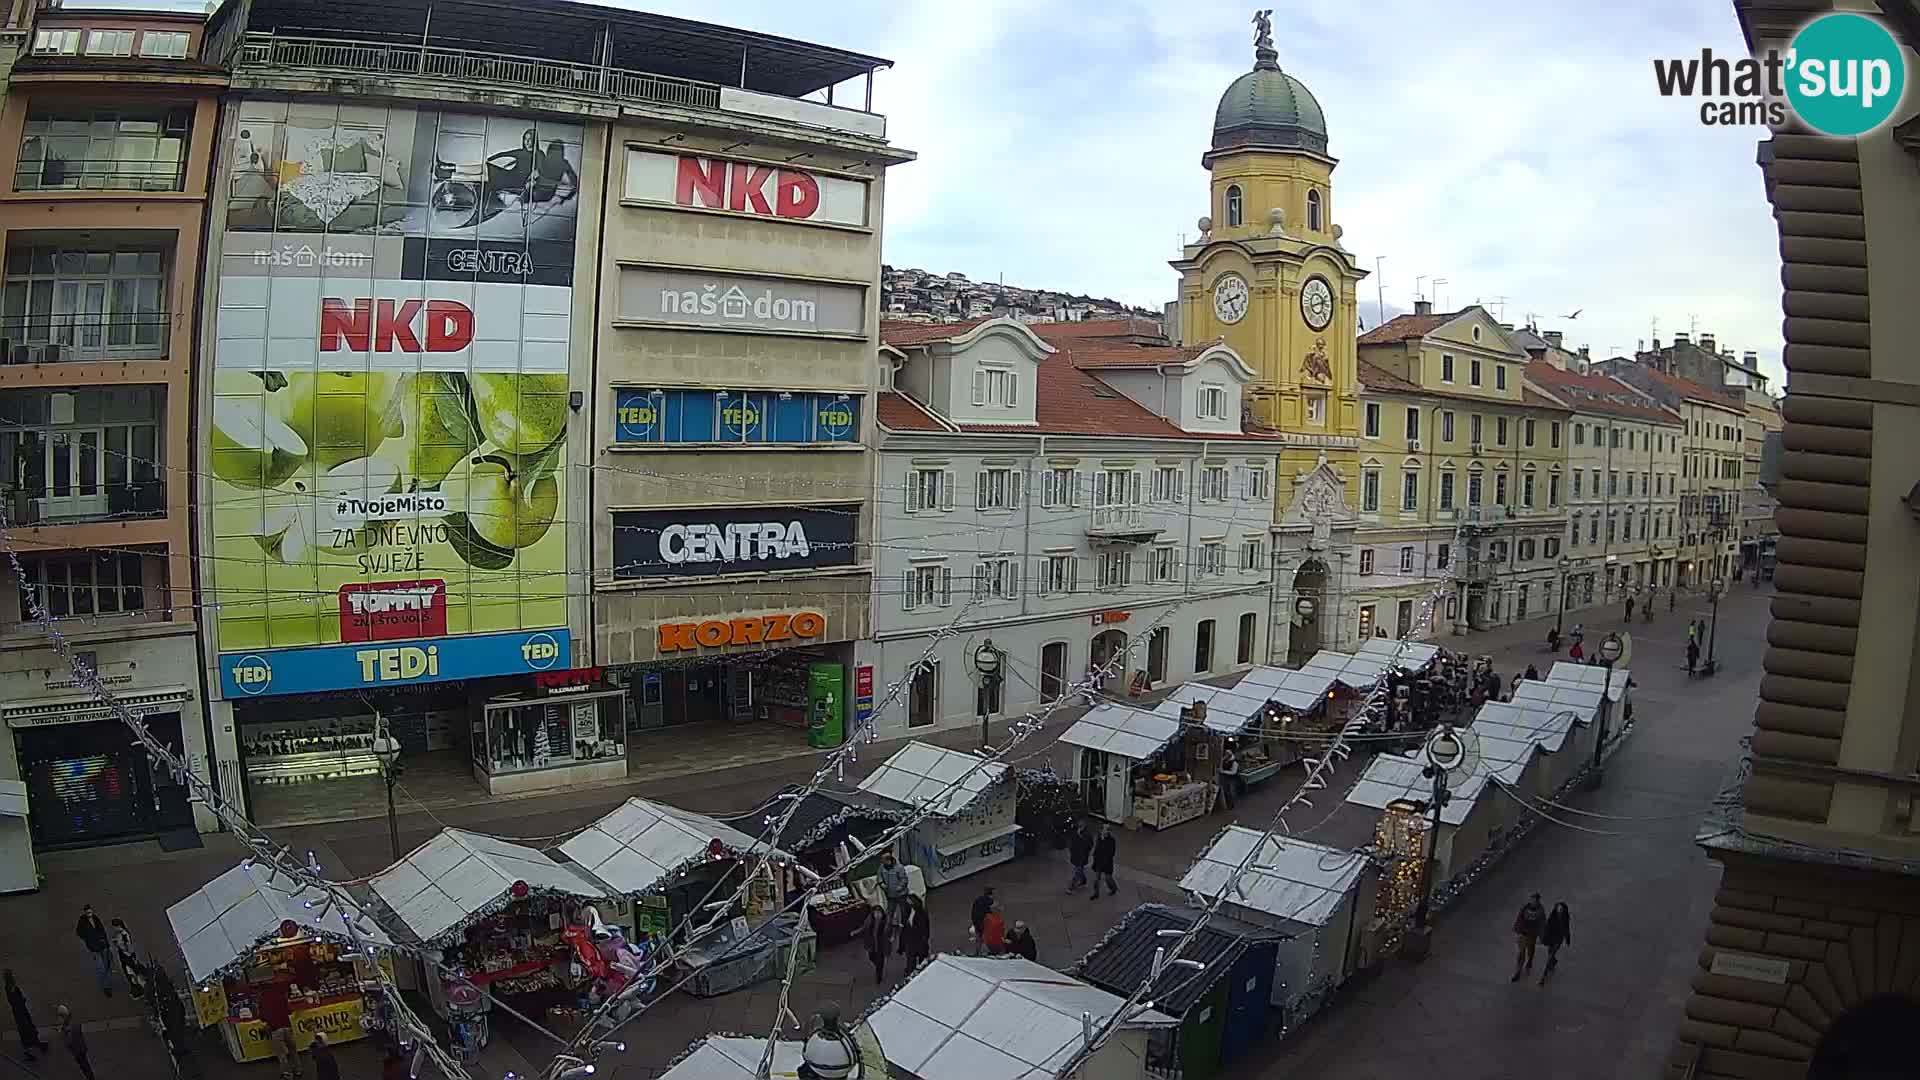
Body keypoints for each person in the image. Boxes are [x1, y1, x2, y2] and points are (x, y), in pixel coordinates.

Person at [5, 969, 48, 1060]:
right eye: (12, 975)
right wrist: (22, 1000)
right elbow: (14, 1002)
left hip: (22, 1012)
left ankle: (36, 1044)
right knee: (25, 1029)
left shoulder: (11, 987)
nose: (14, 976)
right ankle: (30, 1049)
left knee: (29, 1028)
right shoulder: (10, 988)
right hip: (20, 1013)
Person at [259, 981, 299, 1079]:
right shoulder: (281, 997)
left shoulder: (263, 1001)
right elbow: (289, 1011)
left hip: (276, 1030)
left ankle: (287, 1074)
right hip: (287, 1027)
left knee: (282, 1055)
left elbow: (262, 1017)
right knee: (293, 1051)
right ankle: (298, 1070)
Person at [74, 905, 111, 997]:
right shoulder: (82, 921)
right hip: (94, 948)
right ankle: (105, 987)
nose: (89, 914)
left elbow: (102, 931)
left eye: (90, 912)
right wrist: (88, 939)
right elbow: (79, 932)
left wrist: (106, 943)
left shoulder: (96, 918)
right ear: (85, 913)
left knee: (106, 965)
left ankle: (106, 982)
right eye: (88, 912)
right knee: (100, 968)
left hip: (102, 946)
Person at [1511, 893, 1546, 982]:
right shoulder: (1525, 908)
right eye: (1531, 899)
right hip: (1523, 933)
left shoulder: (1540, 911)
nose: (1532, 901)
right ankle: (1518, 970)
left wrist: (1541, 936)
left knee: (1530, 951)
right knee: (1521, 952)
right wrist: (1517, 928)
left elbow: (1542, 924)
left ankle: (1529, 962)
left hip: (1532, 935)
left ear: (1537, 901)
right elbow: (1519, 918)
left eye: (1534, 900)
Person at [109, 918, 144, 999]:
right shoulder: (119, 933)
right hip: (125, 957)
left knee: (131, 975)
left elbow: (128, 948)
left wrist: (119, 945)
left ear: (118, 926)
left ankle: (138, 991)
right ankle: (137, 990)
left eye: (114, 926)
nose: (114, 929)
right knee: (130, 974)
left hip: (127, 958)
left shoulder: (124, 934)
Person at [56, 1005, 93, 1080]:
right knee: (86, 1063)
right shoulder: (75, 1024)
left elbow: (68, 1042)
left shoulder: (68, 1030)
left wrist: (64, 1032)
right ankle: (90, 1077)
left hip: (77, 1050)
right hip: (82, 1047)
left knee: (83, 1065)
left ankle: (90, 1078)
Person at [1539, 902, 1572, 984]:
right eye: (1558, 908)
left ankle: (1543, 977)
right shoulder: (1552, 916)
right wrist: (1543, 937)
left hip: (1558, 940)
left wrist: (1567, 939)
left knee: (1550, 956)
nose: (1559, 910)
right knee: (1550, 954)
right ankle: (1553, 961)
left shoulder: (1565, 918)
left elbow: (1566, 929)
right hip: (1551, 939)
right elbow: (1547, 927)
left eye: (1561, 909)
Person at [877, 852, 912, 926]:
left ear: (888, 860)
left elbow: (904, 879)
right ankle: (889, 927)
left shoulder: (899, 867)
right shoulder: (881, 867)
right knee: (890, 912)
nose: (881, 861)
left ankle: (906, 926)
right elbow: (879, 878)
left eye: (882, 860)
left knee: (903, 911)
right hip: (890, 895)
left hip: (901, 894)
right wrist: (883, 885)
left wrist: (899, 888)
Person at [860, 904, 891, 983]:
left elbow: (889, 931)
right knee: (871, 957)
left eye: (879, 912)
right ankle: (878, 966)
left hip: (881, 944)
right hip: (872, 943)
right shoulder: (869, 919)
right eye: (876, 912)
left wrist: (891, 937)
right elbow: (864, 927)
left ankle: (879, 975)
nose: (877, 914)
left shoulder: (886, 921)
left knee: (880, 960)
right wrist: (856, 932)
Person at [899, 895, 931, 972]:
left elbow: (925, 928)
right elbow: (905, 927)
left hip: (919, 940)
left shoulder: (922, 914)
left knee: (922, 959)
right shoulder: (907, 912)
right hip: (910, 941)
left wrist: (924, 939)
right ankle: (911, 972)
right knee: (911, 959)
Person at [1090, 823, 1118, 899]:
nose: (1103, 831)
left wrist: (1103, 841)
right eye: (1103, 829)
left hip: (1107, 863)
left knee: (1108, 878)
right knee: (1096, 879)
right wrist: (1094, 855)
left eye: (1106, 830)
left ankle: (1113, 888)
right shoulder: (1099, 838)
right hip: (1098, 862)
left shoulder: (1111, 840)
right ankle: (1096, 893)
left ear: (1108, 831)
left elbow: (1111, 853)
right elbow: (1097, 848)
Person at [1067, 821, 1093, 893]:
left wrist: (1081, 837)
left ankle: (1071, 887)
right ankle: (1083, 881)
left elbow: (1090, 845)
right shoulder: (1075, 834)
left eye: (1081, 827)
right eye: (1079, 826)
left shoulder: (1087, 835)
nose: (1079, 828)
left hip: (1082, 856)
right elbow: (1072, 843)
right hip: (1075, 855)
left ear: (1084, 827)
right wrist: (1071, 850)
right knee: (1079, 870)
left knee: (1077, 871)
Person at [1216, 746, 1241, 811]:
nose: (1226, 754)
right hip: (1226, 777)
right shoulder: (1225, 759)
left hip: (1232, 778)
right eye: (1226, 753)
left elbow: (1233, 772)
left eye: (1227, 753)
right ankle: (1228, 803)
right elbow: (1221, 764)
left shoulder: (1234, 762)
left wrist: (1223, 771)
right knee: (1226, 790)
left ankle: (1232, 804)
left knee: (1231, 791)